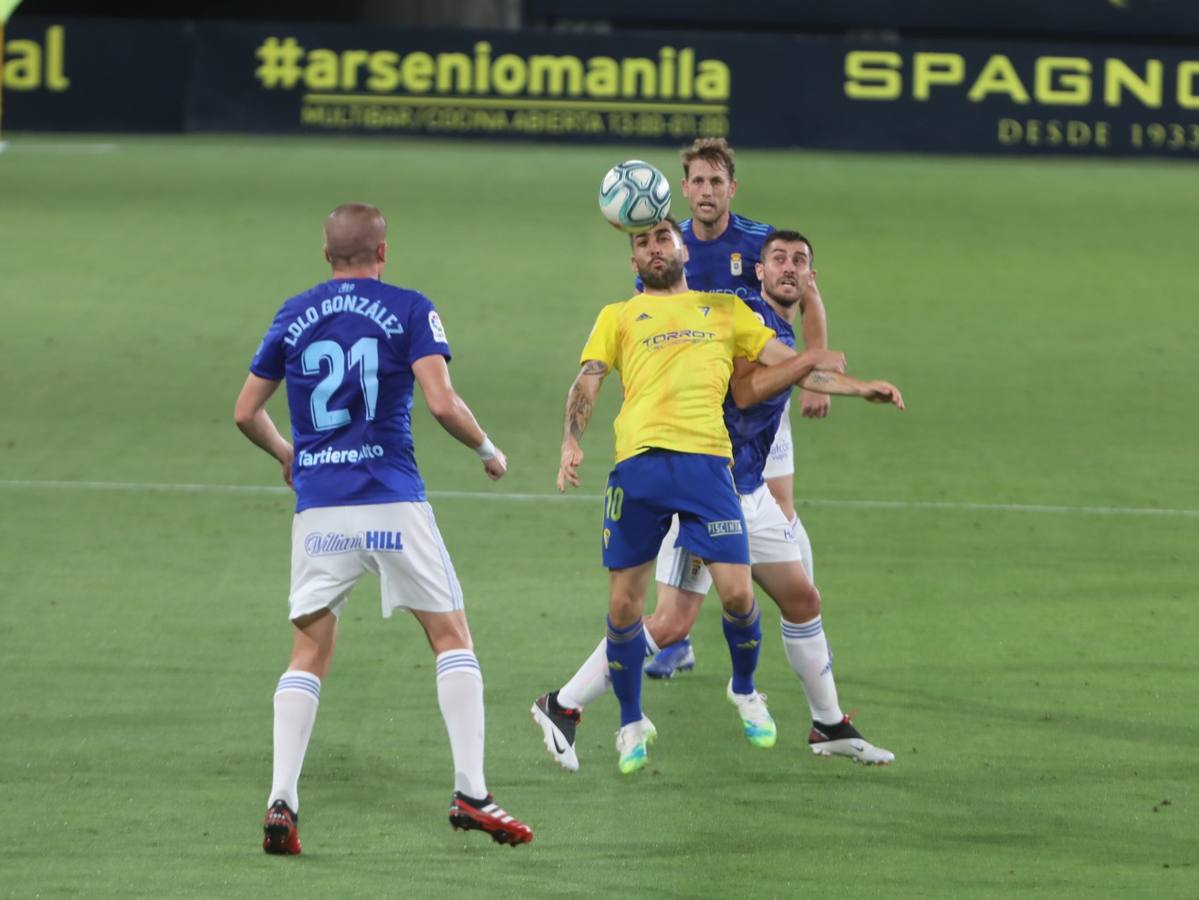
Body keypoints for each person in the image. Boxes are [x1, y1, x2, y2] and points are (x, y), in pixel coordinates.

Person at [533, 230, 902, 770]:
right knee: (668, 622)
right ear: (757, 269)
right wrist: (808, 367)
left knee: (802, 600)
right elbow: (750, 390)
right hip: (702, 479)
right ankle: (564, 705)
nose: (788, 270)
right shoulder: (722, 313)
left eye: (800, 263)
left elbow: (807, 361)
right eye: (778, 259)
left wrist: (859, 385)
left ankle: (828, 724)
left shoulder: (755, 318)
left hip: (744, 490)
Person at [234, 202, 532, 854]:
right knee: (450, 636)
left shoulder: (293, 312)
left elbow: (244, 411)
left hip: (320, 509)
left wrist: (289, 454)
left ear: (326, 255)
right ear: (382, 252)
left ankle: (281, 798)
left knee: (308, 652)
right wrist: (487, 449)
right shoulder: (407, 307)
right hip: (392, 499)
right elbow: (441, 401)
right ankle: (471, 792)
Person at [647, 137, 831, 678]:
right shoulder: (668, 245)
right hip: (699, 412)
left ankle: (803, 616)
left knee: (780, 513)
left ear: (732, 187)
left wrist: (816, 381)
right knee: (686, 519)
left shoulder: (759, 243)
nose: (707, 192)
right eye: (697, 182)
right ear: (684, 189)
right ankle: (675, 632)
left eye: (716, 182)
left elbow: (811, 299)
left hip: (761, 405)